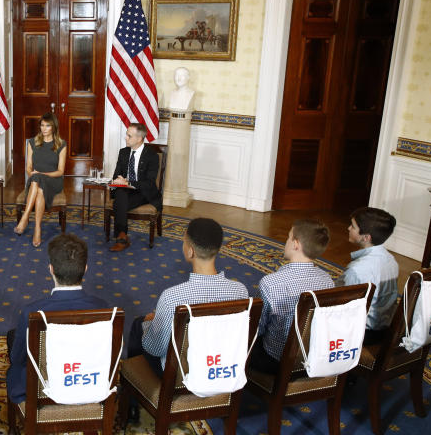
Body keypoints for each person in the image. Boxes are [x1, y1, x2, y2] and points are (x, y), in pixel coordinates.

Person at [5, 233, 108, 404]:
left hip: (43, 388)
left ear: (51, 269)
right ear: (85, 269)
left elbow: (18, 359)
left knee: (14, 339)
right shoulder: (105, 309)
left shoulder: (33, 313)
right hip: (90, 384)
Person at [139, 217, 248, 375]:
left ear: (190, 251)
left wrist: (148, 324)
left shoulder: (171, 297)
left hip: (181, 374)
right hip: (219, 366)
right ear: (218, 249)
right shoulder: (241, 292)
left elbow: (155, 349)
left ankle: (135, 391)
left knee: (140, 326)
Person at [249, 219, 335, 374]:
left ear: (296, 244)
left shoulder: (271, 283)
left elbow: (257, 329)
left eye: (288, 238)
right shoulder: (327, 280)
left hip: (276, 360)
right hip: (312, 356)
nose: (286, 242)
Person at [337, 207, 399, 345]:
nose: (348, 228)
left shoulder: (357, 270)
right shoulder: (391, 260)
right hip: (385, 327)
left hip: (362, 334)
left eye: (353, 226)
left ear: (366, 237)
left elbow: (342, 307)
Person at [15, 113, 67, 247]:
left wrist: (41, 174)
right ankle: (37, 228)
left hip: (54, 180)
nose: (44, 129)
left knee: (39, 179)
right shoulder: (33, 143)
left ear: (54, 127)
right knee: (39, 187)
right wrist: (32, 174)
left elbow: (60, 171)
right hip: (35, 181)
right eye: (42, 125)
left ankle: (25, 217)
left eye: (47, 126)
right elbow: (28, 167)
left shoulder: (61, 144)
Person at [108, 123, 163, 252]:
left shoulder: (152, 155)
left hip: (143, 192)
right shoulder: (123, 152)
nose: (125, 138)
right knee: (121, 194)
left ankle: (121, 237)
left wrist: (129, 183)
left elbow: (149, 182)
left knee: (119, 203)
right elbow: (117, 175)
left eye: (129, 135)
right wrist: (119, 181)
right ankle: (122, 237)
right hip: (124, 190)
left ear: (139, 139)